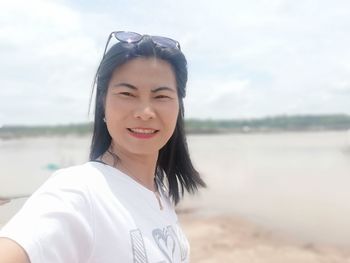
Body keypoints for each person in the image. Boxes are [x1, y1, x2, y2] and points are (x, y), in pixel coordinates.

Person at [0, 31, 206, 263]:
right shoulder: (79, 191)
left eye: (161, 96)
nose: (145, 113)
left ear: (179, 107)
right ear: (103, 104)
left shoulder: (159, 192)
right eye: (127, 94)